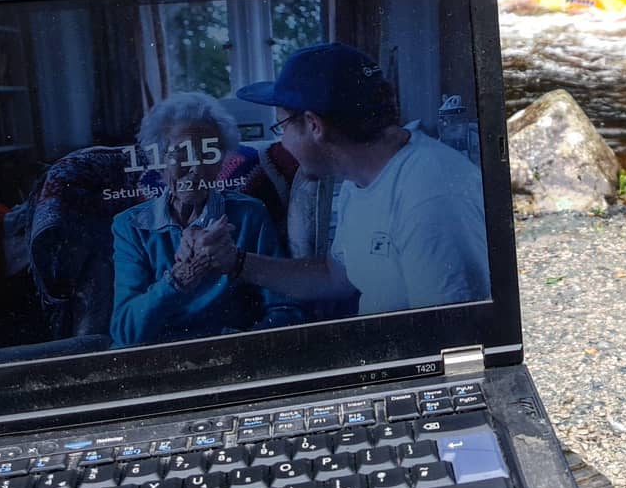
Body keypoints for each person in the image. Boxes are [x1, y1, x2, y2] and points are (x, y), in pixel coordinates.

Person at [196, 43, 490, 316]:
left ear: (314, 125)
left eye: (282, 127)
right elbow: (334, 276)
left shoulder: (431, 199)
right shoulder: (357, 177)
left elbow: (449, 331)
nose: (282, 143)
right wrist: (235, 261)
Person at [109, 93, 299, 348]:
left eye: (208, 154)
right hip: (159, 356)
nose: (196, 168)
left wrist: (245, 346)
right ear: (159, 161)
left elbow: (285, 308)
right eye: (182, 154)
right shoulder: (131, 226)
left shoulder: (248, 215)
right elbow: (125, 333)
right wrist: (176, 281)